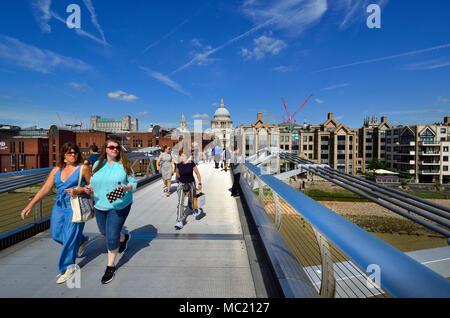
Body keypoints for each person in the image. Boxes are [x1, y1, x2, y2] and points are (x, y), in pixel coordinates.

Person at [21, 142, 92, 284]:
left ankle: (67, 267)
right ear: (64, 155)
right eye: (69, 153)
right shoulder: (56, 170)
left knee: (70, 237)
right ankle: (81, 240)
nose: (73, 155)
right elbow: (45, 189)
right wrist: (30, 205)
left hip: (75, 206)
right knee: (56, 235)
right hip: (59, 206)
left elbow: (93, 186)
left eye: (75, 152)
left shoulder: (83, 168)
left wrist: (79, 190)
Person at [90, 138, 137, 284]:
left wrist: (126, 187)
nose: (115, 149)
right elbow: (94, 182)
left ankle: (110, 266)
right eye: (112, 147)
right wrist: (89, 188)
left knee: (111, 238)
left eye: (117, 147)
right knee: (104, 232)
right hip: (100, 204)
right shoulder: (97, 164)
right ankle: (123, 238)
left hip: (119, 204)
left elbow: (134, 183)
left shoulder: (124, 165)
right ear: (106, 149)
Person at [174, 149, 202, 230]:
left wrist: (200, 183)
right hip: (182, 184)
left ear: (187, 156)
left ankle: (193, 208)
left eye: (183, 156)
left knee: (192, 198)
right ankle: (180, 221)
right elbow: (177, 175)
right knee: (180, 202)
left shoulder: (191, 163)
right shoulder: (178, 164)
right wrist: (179, 180)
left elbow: (197, 173)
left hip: (191, 183)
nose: (181, 157)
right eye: (180, 156)